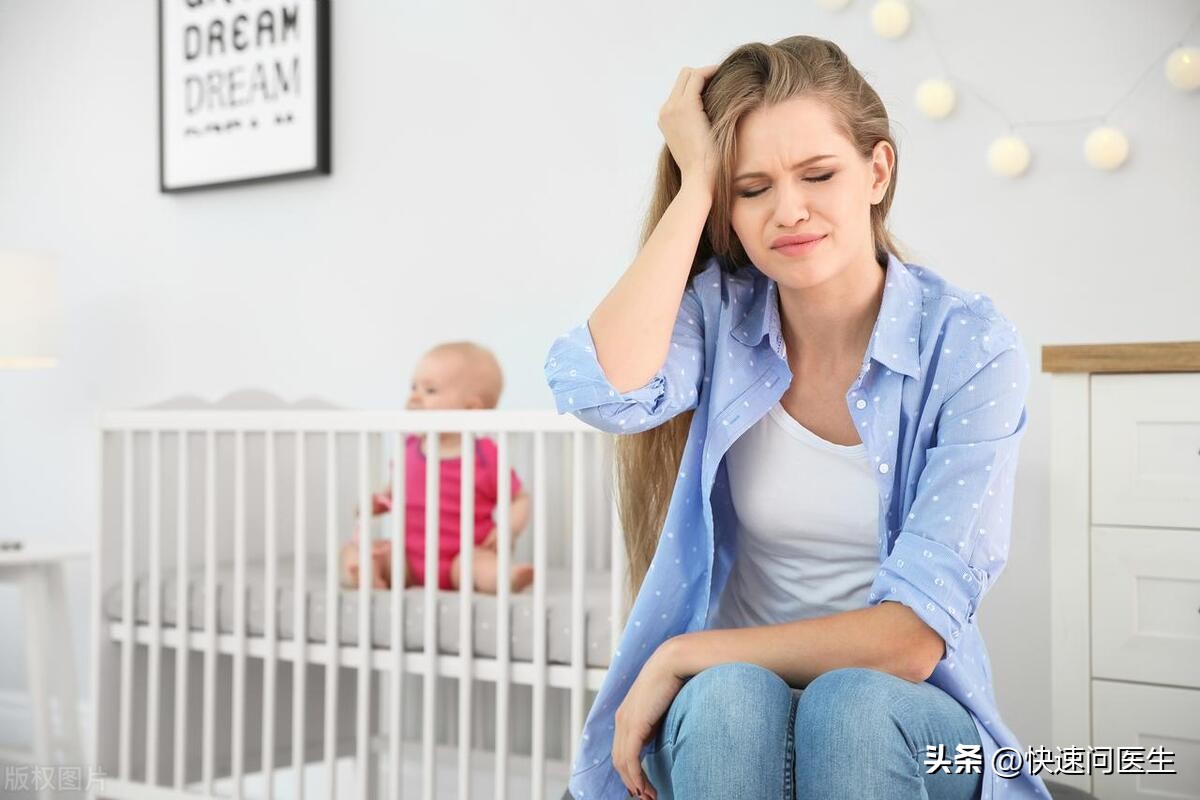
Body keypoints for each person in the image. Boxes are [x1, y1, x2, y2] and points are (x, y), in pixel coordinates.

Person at [544, 35, 1050, 800]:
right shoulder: (720, 317)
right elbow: (596, 387)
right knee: (730, 697)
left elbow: (909, 643)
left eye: (818, 174)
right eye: (751, 188)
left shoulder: (969, 345)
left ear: (877, 172)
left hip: (906, 721)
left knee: (850, 705)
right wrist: (692, 188)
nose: (789, 210)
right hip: (730, 711)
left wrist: (687, 651)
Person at [341, 341, 535, 594]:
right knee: (353, 551)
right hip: (408, 559)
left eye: (430, 390)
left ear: (471, 408)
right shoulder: (408, 448)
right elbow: (396, 489)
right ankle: (368, 574)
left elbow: (520, 498)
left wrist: (509, 528)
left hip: (461, 557)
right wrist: (377, 502)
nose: (414, 396)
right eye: (413, 387)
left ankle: (502, 578)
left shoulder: (485, 455)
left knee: (480, 564)